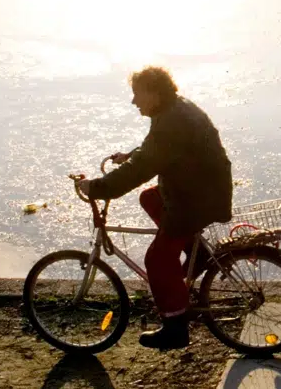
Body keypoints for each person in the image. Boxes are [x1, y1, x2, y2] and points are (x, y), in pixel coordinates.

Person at [77, 66, 233, 350]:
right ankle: (198, 256)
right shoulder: (172, 110)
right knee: (150, 198)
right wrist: (132, 154)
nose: (134, 101)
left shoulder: (172, 120)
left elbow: (142, 168)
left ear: (154, 92)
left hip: (195, 199)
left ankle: (175, 327)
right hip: (200, 188)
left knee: (158, 259)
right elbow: (157, 151)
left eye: (137, 94)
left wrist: (98, 187)